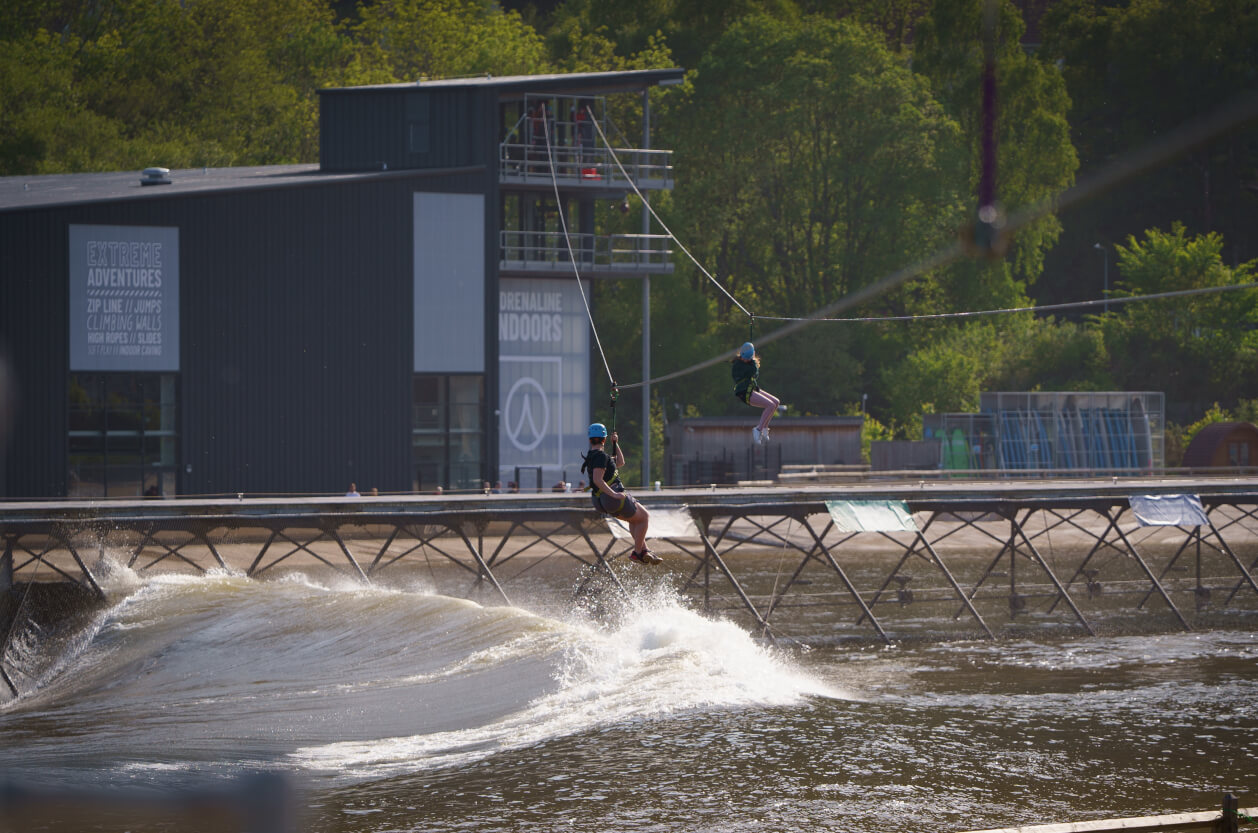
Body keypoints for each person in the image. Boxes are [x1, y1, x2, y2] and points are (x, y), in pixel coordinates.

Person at [580, 422, 660, 565]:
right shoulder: (600, 457)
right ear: (603, 439)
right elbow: (598, 480)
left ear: (590, 439)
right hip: (612, 498)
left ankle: (644, 550)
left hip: (602, 501)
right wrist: (615, 495)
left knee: (635, 520)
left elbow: (621, 462)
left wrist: (615, 443)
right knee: (644, 517)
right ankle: (637, 553)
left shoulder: (594, 456)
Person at [732, 341, 780, 445]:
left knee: (776, 402)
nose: (746, 360)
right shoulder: (738, 364)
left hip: (751, 388)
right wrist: (752, 360)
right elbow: (752, 372)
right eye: (745, 358)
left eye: (748, 358)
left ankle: (764, 428)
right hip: (744, 392)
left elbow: (755, 374)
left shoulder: (750, 363)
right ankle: (758, 429)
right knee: (770, 405)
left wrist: (752, 360)